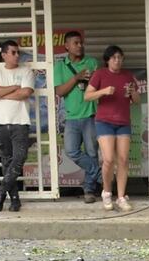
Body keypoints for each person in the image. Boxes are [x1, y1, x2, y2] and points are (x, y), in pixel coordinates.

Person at [85, 45, 140, 212]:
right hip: (104, 121)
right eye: (114, 57)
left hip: (123, 121)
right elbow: (87, 96)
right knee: (108, 159)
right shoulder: (100, 74)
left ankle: (121, 197)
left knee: (123, 160)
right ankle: (107, 192)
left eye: (120, 57)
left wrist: (132, 92)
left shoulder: (128, 75)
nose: (117, 60)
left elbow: (136, 100)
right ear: (107, 60)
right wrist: (103, 91)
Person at [0, 40, 35, 212]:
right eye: (13, 52)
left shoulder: (26, 71)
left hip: (20, 121)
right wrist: (14, 87)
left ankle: (1, 189)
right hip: (1, 122)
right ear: (4, 54)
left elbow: (25, 93)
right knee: (7, 162)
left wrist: (3, 93)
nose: (16, 56)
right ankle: (14, 199)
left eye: (18, 53)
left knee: (19, 158)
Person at [53, 31, 102, 204]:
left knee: (91, 151)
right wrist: (77, 77)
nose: (80, 46)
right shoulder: (60, 66)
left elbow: (98, 86)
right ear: (67, 46)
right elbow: (59, 91)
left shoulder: (91, 62)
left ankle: (89, 189)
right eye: (75, 43)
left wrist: (88, 80)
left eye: (81, 43)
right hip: (71, 117)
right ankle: (99, 172)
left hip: (90, 114)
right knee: (71, 151)